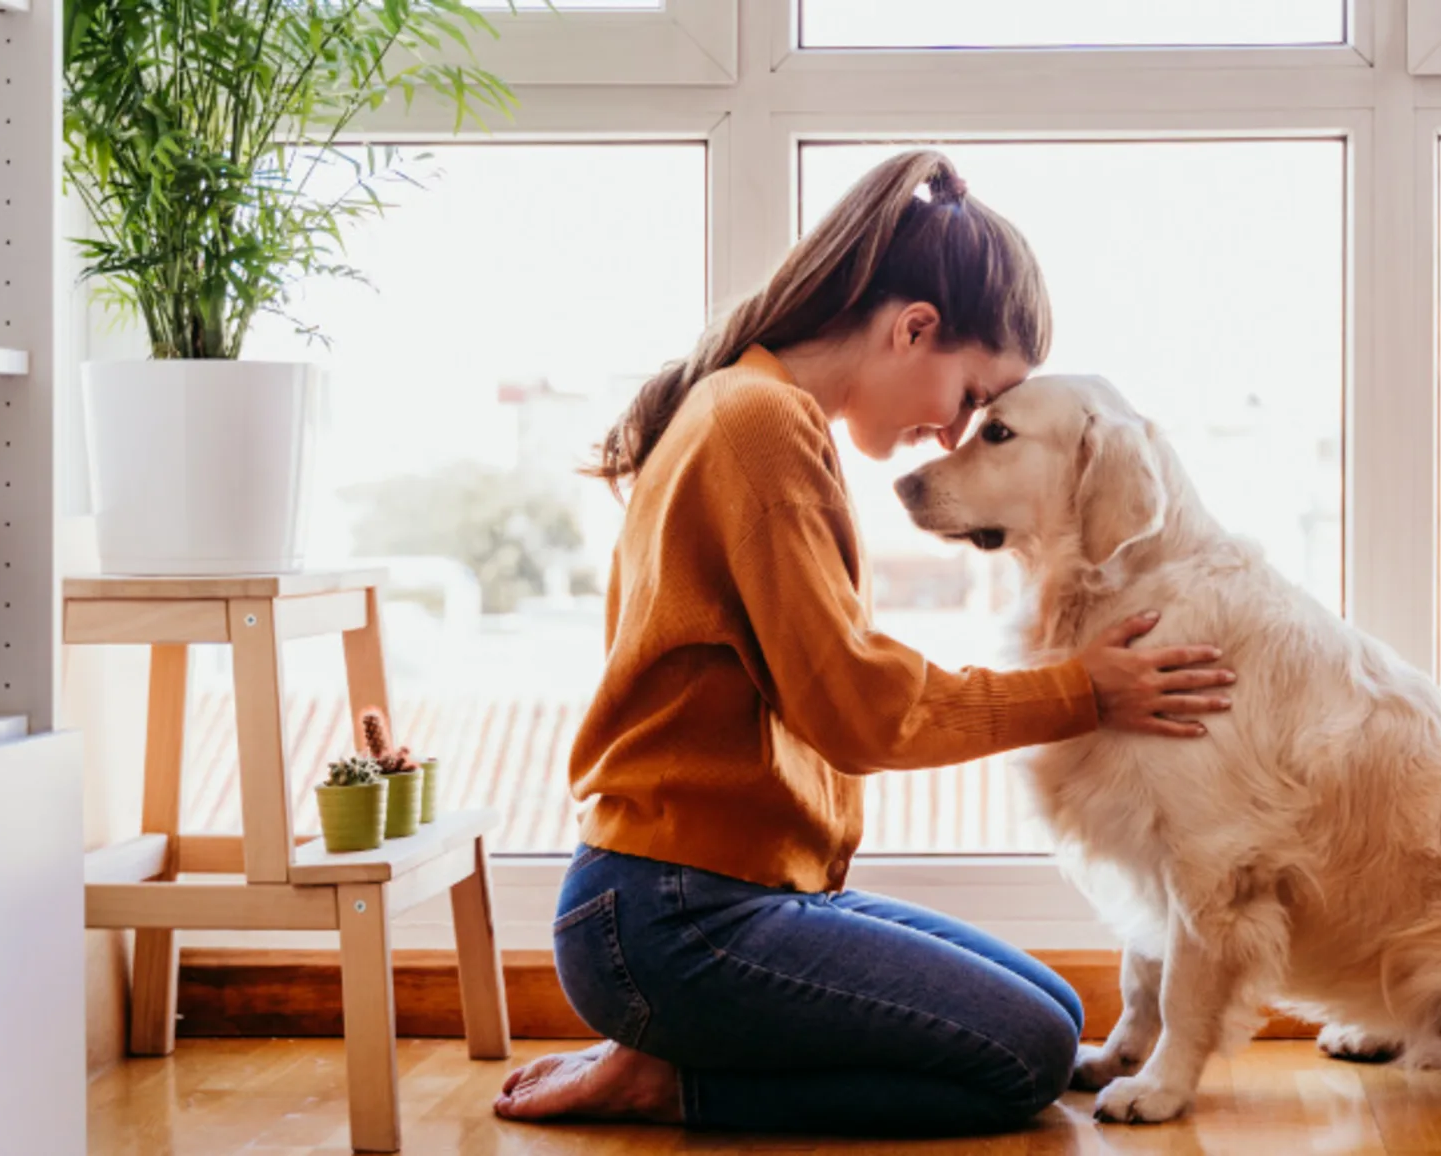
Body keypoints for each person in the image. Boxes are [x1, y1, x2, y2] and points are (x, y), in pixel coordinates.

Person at [493, 149, 1235, 1136]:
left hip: (719, 897)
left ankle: (675, 1039)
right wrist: (1081, 691)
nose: (951, 434)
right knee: (1023, 1057)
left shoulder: (754, 406)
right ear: (913, 327)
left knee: (1056, 1018)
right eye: (971, 397)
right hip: (671, 917)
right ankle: (672, 1079)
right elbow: (855, 708)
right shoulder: (757, 426)